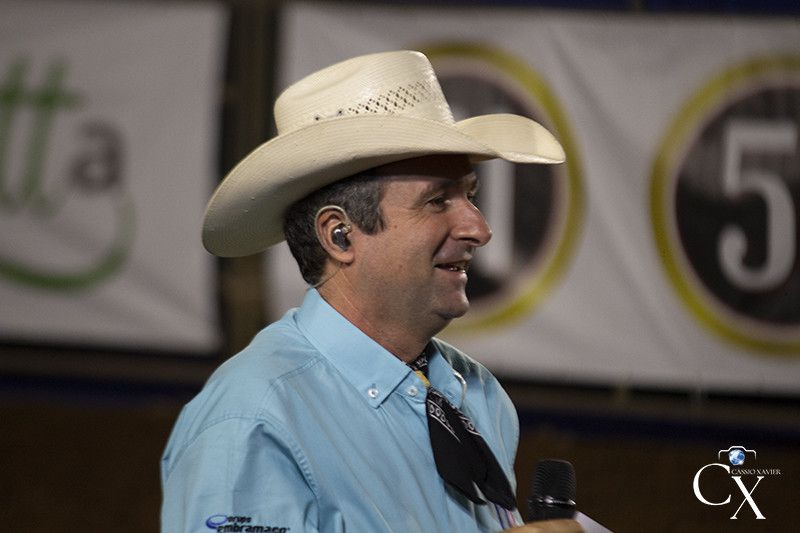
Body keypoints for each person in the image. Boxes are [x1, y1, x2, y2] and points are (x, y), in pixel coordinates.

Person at [161, 50, 582, 533]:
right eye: (437, 200)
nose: (479, 229)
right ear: (339, 235)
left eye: (470, 195)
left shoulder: (476, 393)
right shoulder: (252, 423)